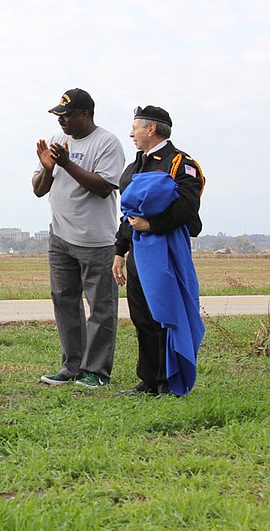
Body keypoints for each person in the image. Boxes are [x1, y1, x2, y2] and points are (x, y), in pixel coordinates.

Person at [32, 88, 125, 388]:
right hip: (60, 236)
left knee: (100, 308)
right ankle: (72, 367)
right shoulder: (58, 142)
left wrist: (67, 164)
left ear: (85, 114)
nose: (61, 121)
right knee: (64, 301)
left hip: (96, 240)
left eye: (67, 115)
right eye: (58, 115)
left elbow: (103, 187)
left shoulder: (107, 143)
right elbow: (38, 188)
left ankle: (96, 372)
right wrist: (48, 170)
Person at [113, 106, 205, 396]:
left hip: (165, 251)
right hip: (138, 254)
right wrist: (119, 250)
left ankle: (169, 381)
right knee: (142, 317)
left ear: (151, 129)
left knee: (164, 314)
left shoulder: (180, 163)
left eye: (135, 128)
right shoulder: (135, 166)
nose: (131, 134)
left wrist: (153, 224)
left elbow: (188, 207)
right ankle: (149, 381)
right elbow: (128, 214)